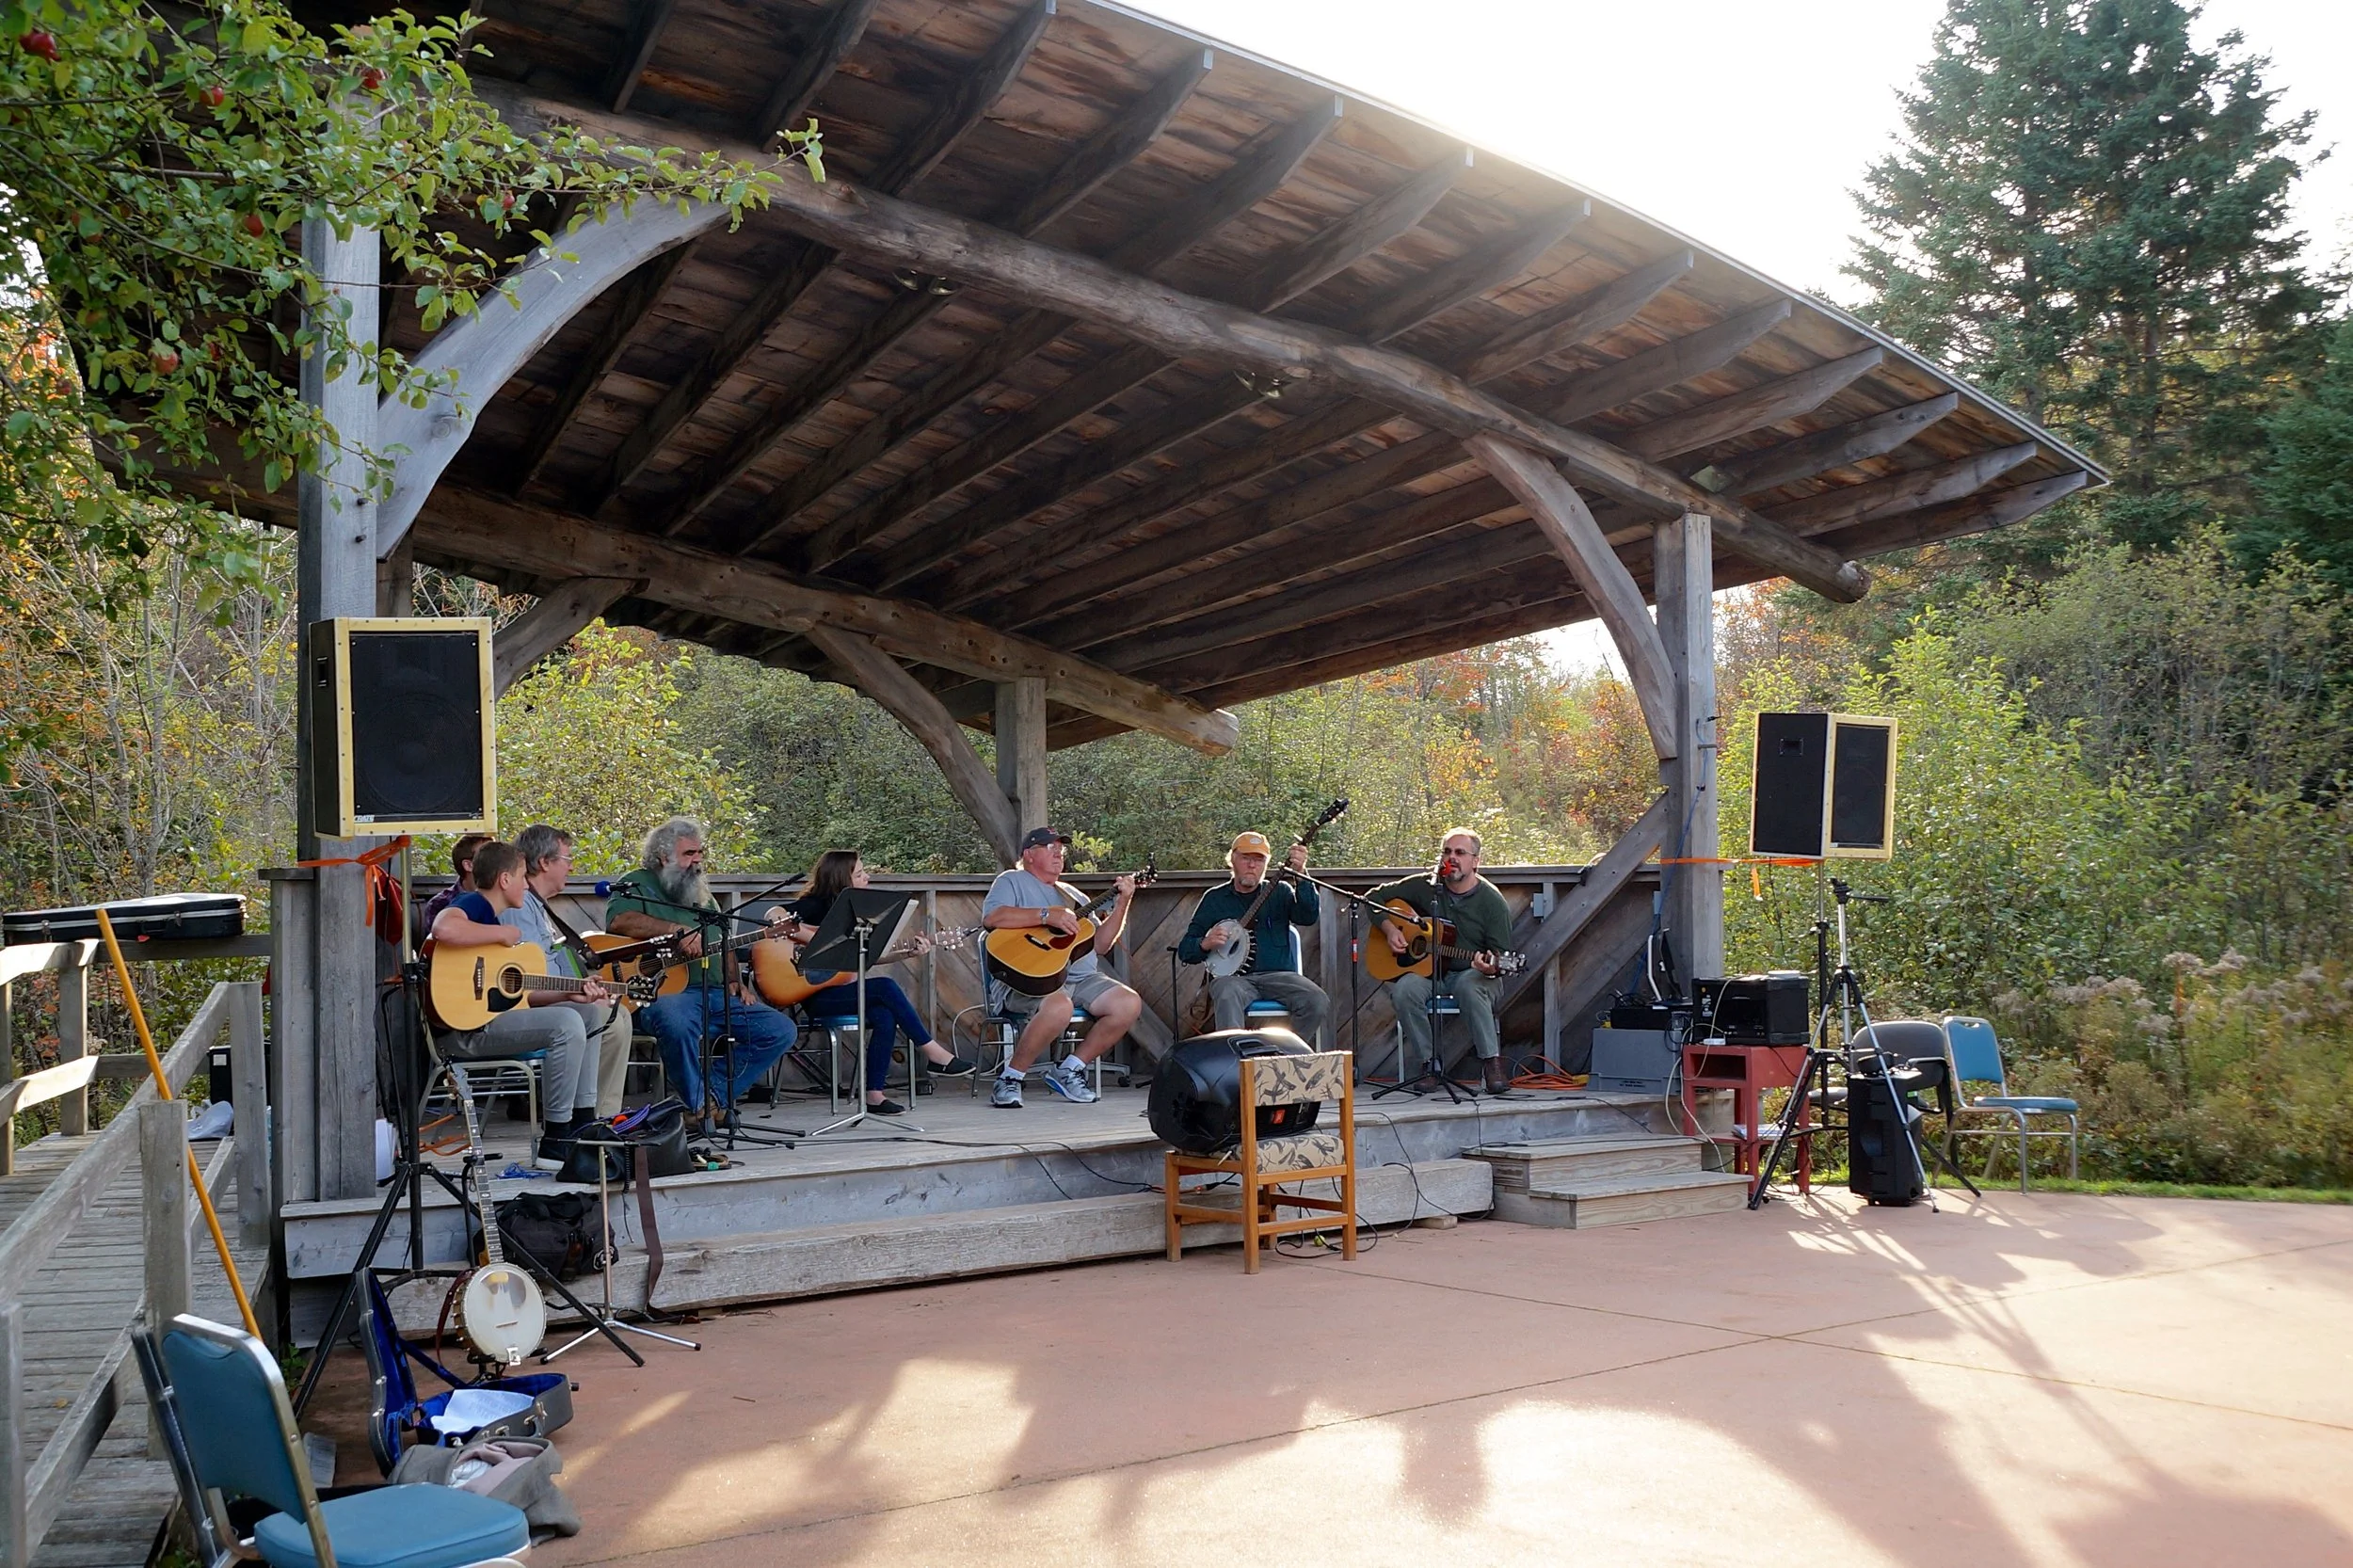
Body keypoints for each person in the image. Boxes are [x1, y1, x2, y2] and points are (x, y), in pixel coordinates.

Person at [602, 817, 795, 1128]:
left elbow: (725, 941)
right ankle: (696, 1105)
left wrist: (734, 980)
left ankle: (709, 1099)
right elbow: (619, 921)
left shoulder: (703, 896)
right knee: (676, 1020)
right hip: (660, 993)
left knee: (780, 1030)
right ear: (664, 856)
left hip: (714, 992)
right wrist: (675, 930)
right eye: (689, 854)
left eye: (700, 853)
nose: (697, 861)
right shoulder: (636, 883)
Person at [429, 840, 609, 1167]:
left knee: (587, 1013)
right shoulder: (476, 905)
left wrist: (570, 992)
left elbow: (523, 995)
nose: (527, 884)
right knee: (566, 1024)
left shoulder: (496, 923)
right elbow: (442, 928)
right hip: (464, 1030)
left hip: (491, 1021)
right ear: (504, 880)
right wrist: (499, 935)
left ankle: (583, 1122)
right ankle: (555, 1138)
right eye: (523, 877)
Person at [781, 850, 976, 1115]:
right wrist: (813, 939)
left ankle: (873, 1094)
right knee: (884, 987)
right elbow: (774, 915)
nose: (867, 878)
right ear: (841, 879)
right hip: (815, 995)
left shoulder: (859, 912)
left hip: (845, 990)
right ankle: (933, 1053)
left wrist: (908, 952)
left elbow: (867, 959)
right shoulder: (815, 905)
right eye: (860, 874)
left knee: (885, 1015)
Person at [981, 827, 1142, 1109]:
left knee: (1128, 1003)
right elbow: (993, 918)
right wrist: (1046, 915)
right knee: (1060, 1005)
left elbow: (1101, 944)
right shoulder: (1012, 880)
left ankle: (1069, 1069)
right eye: (1049, 847)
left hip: (1079, 977)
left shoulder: (1072, 895)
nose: (1058, 853)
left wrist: (1123, 903)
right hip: (1028, 979)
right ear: (1028, 855)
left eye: (1061, 849)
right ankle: (1010, 1078)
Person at [1369, 827, 1516, 1096]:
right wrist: (1390, 929)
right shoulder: (1426, 887)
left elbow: (1499, 955)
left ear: (1476, 861)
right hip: (1430, 972)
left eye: (1460, 853)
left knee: (1469, 986)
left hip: (1472, 975)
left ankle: (1491, 1063)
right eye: (1447, 852)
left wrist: (1490, 966)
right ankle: (1430, 1065)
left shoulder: (1492, 901)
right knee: (1404, 990)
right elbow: (1373, 897)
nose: (1452, 858)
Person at [507, 824, 633, 1119]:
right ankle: (588, 1118)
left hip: (551, 999)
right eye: (566, 858)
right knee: (603, 1015)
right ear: (543, 863)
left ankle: (603, 1116)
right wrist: (573, 993)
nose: (571, 865)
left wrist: (582, 988)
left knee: (616, 1011)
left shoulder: (538, 906)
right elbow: (524, 980)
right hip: (525, 1009)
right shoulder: (520, 906)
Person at [1177, 831, 1328, 1039]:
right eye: (1245, 858)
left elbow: (1308, 916)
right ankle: (1236, 1063)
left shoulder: (1280, 892)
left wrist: (1301, 874)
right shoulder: (1214, 898)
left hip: (1279, 976)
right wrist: (1205, 943)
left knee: (1317, 1000)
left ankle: (1285, 1057)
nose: (1252, 865)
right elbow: (1185, 951)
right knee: (1225, 991)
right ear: (1232, 859)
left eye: (1259, 860)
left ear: (1266, 864)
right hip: (1235, 981)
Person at [418, 833, 493, 938]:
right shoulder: (439, 904)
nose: (497, 860)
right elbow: (438, 947)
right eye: (488, 855)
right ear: (468, 865)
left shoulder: (507, 896)